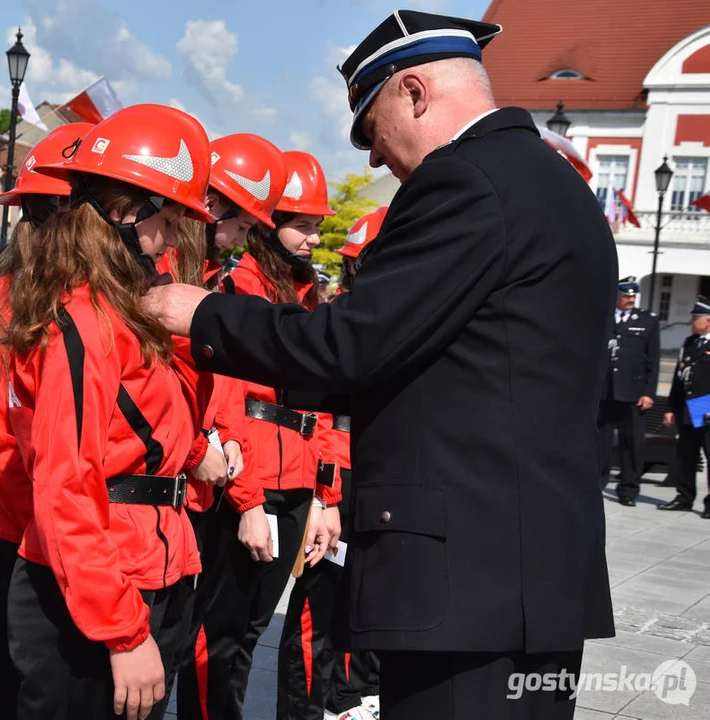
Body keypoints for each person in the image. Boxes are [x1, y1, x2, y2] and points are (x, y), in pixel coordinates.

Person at [144, 10, 618, 720]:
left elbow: (349, 347)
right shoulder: (555, 185)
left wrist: (201, 315)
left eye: (370, 128)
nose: (373, 158)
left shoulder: (466, 180)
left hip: (465, 584)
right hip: (529, 577)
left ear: (415, 93)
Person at [1, 104, 214, 720]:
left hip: (152, 567)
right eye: (167, 219)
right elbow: (67, 487)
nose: (175, 238)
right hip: (101, 592)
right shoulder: (81, 318)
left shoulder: (123, 308)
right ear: (123, 210)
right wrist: (122, 631)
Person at [178, 149, 336, 720]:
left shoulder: (304, 297)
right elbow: (225, 399)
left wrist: (322, 494)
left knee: (247, 636)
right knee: (219, 636)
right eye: (302, 225)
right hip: (250, 484)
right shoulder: (234, 290)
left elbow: (319, 407)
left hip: (294, 482)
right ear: (268, 225)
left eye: (317, 227)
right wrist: (246, 502)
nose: (313, 239)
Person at [0, 120, 92, 720]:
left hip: (73, 538)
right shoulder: (1, 299)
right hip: (13, 532)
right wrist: (56, 516)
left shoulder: (92, 299)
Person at [278, 205, 387, 720]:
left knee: (370, 602)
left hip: (380, 488)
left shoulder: (396, 324)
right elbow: (319, 419)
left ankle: (354, 697)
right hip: (338, 490)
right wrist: (325, 495)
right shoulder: (336, 324)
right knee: (318, 613)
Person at [598, 276, 660, 504]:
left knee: (632, 443)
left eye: (633, 296)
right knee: (600, 442)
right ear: (617, 296)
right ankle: (598, 483)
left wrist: (649, 393)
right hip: (605, 393)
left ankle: (629, 489)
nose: (630, 300)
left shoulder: (648, 321)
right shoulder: (603, 318)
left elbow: (653, 361)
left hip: (633, 393)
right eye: (626, 296)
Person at [661, 297, 710, 519]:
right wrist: (671, 408)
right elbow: (679, 379)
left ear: (707, 321)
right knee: (686, 455)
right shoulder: (690, 342)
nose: (691, 321)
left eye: (695, 318)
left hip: (706, 406)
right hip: (688, 407)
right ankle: (684, 497)